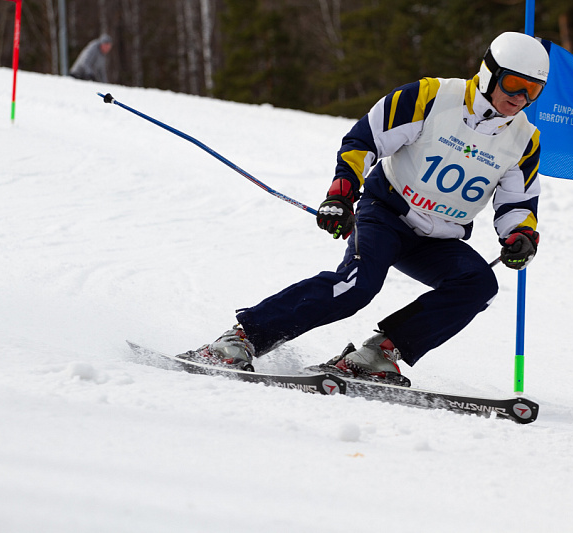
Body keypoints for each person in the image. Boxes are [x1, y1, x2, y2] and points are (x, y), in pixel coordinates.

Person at [195, 32, 549, 387]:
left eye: (532, 90)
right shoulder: (431, 97)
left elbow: (517, 201)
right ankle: (240, 339)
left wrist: (520, 234)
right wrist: (341, 195)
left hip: (438, 239)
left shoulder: (524, 140)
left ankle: (378, 354)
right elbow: (365, 140)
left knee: (478, 284)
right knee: (357, 286)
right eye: (513, 84)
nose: (520, 97)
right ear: (489, 73)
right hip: (386, 215)